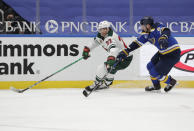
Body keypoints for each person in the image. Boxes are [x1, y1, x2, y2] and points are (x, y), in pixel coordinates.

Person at [117, 16, 181, 92]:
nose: (141, 27)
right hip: (163, 53)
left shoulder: (157, 27)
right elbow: (137, 43)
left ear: (148, 25)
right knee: (149, 66)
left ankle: (171, 82)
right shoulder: (146, 34)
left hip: (173, 53)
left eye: (142, 25)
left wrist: (163, 37)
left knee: (154, 72)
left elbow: (166, 30)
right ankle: (156, 87)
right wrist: (126, 51)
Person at [82, 20, 133, 93]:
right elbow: (95, 42)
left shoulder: (110, 38)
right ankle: (107, 83)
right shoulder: (101, 36)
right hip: (121, 55)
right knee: (111, 68)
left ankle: (96, 84)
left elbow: (114, 50)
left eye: (105, 29)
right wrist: (87, 50)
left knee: (102, 68)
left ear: (108, 29)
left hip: (124, 57)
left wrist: (111, 59)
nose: (103, 31)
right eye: (101, 29)